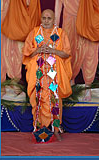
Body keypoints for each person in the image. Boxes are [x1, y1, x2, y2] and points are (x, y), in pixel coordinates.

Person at [22, 9, 72, 141]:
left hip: (53, 75)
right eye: (44, 18)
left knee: (55, 101)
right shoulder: (35, 33)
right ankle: (39, 129)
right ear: (41, 19)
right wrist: (38, 50)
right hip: (38, 75)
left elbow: (66, 53)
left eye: (49, 18)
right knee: (37, 100)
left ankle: (55, 130)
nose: (46, 21)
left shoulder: (60, 33)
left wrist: (52, 51)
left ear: (54, 19)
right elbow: (27, 52)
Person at [55, 0, 99, 101]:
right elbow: (57, 13)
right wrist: (54, 33)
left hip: (88, 22)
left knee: (90, 55)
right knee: (70, 54)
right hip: (70, 24)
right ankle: (71, 86)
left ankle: (88, 87)